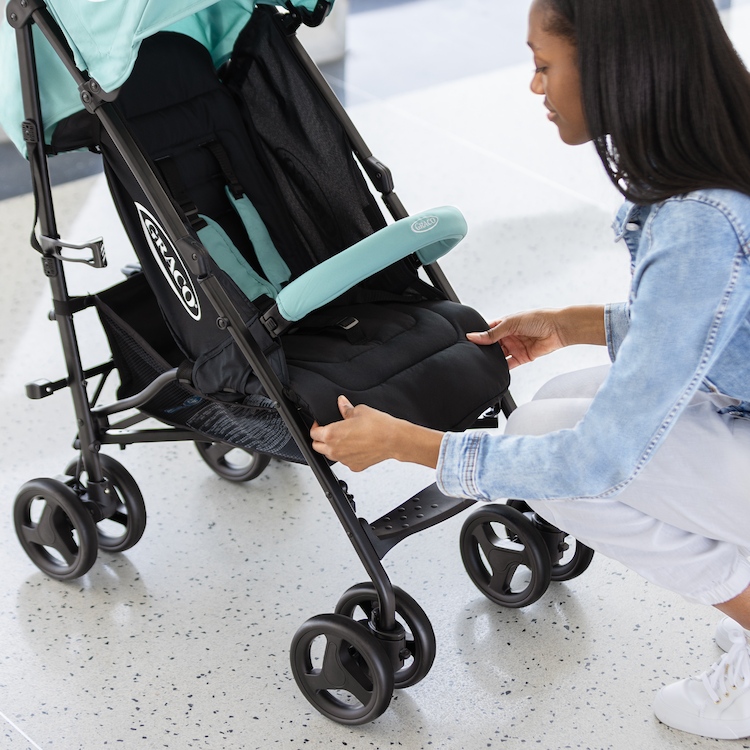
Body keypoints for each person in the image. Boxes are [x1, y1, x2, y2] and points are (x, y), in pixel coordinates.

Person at [309, 0, 750, 740]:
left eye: (545, 64)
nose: (534, 86)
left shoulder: (697, 222)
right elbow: (719, 320)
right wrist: (577, 324)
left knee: (563, 456)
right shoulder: (721, 170)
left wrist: (408, 443)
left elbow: (596, 461)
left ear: (612, 66)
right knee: (568, 396)